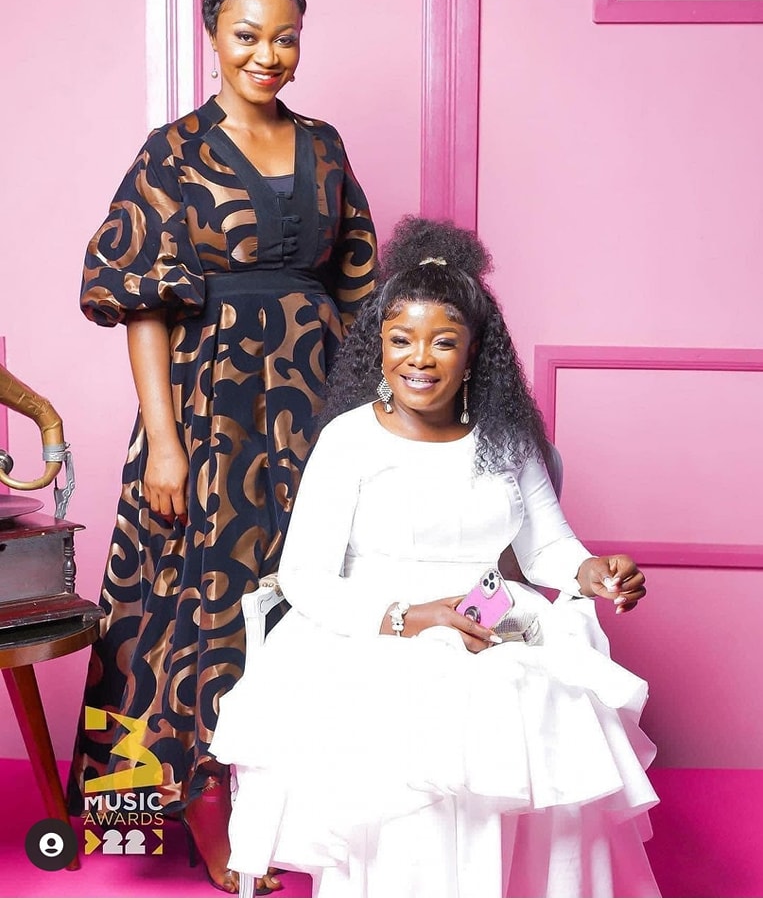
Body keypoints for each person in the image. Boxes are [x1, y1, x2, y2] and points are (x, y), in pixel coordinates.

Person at [209, 215, 662, 898]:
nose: (419, 358)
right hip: (373, 626)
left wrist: (589, 572)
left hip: (490, 621)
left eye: (443, 341)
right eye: (402, 339)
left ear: (474, 352)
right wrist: (408, 617)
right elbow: (304, 575)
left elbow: (547, 547)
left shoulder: (506, 439)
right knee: (416, 702)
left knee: (540, 696)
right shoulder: (349, 441)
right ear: (380, 348)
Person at [66, 0, 377, 895]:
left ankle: (303, 799)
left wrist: (374, 429)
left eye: (285, 38)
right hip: (209, 414)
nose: (267, 55)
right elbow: (142, 306)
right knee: (199, 602)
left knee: (309, 595)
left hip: (317, 405)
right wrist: (163, 443)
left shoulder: (324, 145)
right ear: (212, 38)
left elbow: (360, 292)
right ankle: (208, 807)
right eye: (247, 36)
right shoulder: (173, 150)